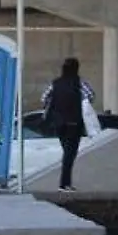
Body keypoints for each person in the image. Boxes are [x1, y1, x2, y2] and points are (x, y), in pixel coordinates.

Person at [40, 58, 95, 193]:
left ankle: (65, 183)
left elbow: (44, 98)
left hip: (58, 123)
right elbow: (90, 96)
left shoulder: (56, 83)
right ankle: (64, 184)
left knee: (67, 151)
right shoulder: (79, 83)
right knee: (70, 153)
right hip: (74, 122)